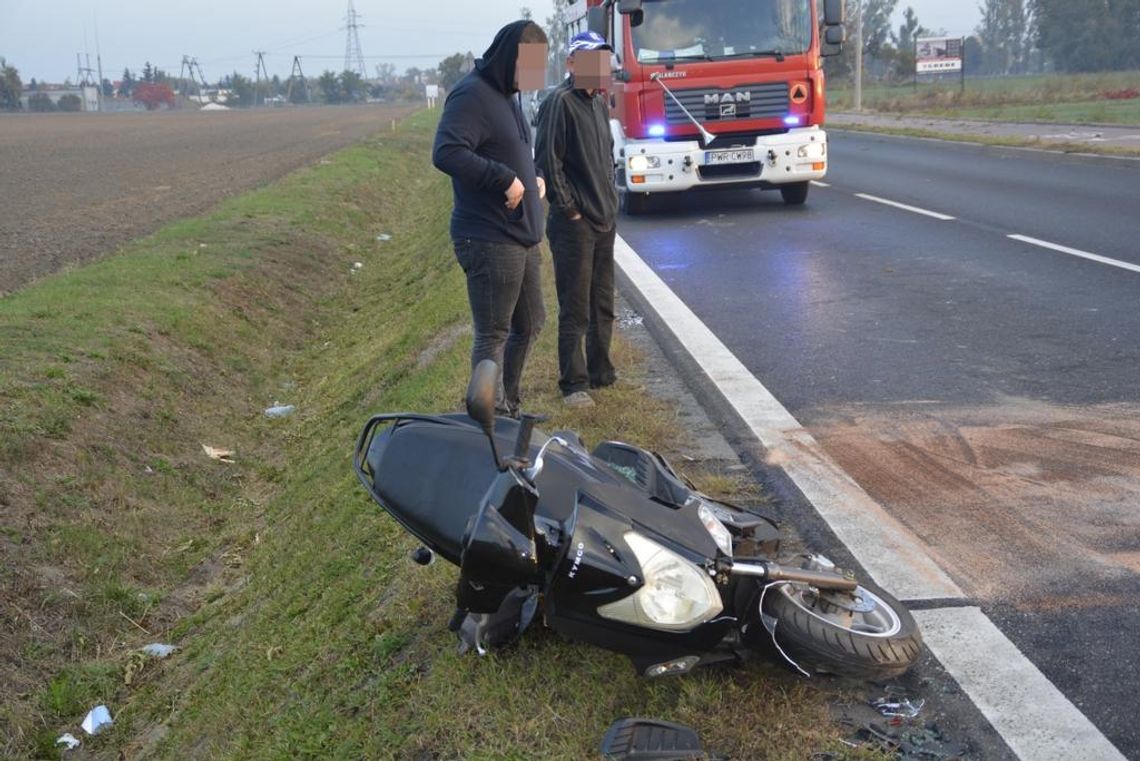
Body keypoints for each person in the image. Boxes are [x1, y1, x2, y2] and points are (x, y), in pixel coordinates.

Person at [432, 20, 549, 416]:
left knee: (532, 322)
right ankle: (489, 419)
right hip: (488, 236)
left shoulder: (509, 95)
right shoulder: (471, 95)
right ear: (508, 58)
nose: (532, 78)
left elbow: (507, 149)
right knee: (493, 334)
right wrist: (503, 178)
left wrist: (534, 177)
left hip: (521, 234)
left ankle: (506, 404)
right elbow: (447, 152)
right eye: (528, 66)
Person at [535, 31, 620, 408]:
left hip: (605, 220)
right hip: (575, 225)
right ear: (572, 64)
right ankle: (574, 383)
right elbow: (548, 164)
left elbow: (607, 158)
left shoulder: (599, 104)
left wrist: (611, 203)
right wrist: (570, 210)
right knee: (575, 305)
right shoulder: (560, 102)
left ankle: (602, 372)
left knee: (603, 302)